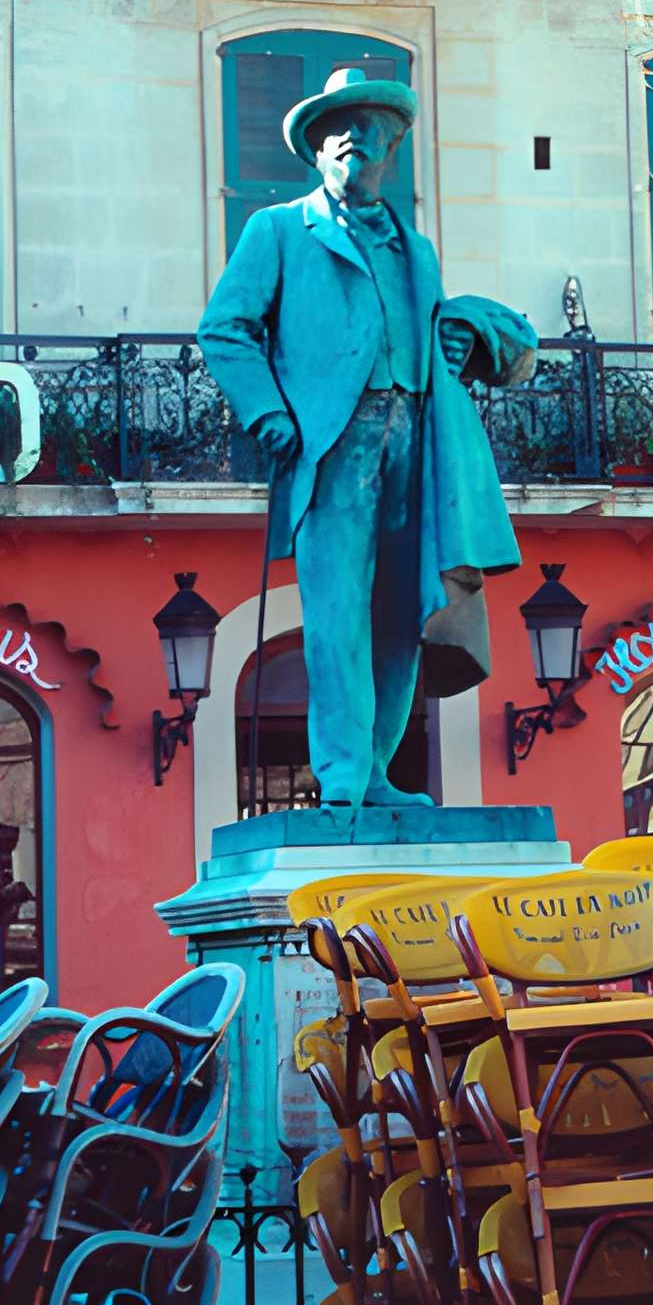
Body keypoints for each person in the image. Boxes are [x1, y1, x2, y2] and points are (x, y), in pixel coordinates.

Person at [199, 67, 536, 809]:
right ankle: (344, 777)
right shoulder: (280, 230)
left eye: (370, 125)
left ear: (391, 149)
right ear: (317, 150)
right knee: (335, 614)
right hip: (332, 446)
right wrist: (269, 414)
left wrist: (459, 344)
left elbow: (434, 333)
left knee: (402, 614)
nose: (353, 135)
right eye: (336, 127)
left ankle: (377, 774)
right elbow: (225, 329)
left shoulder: (416, 250)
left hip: (415, 443)